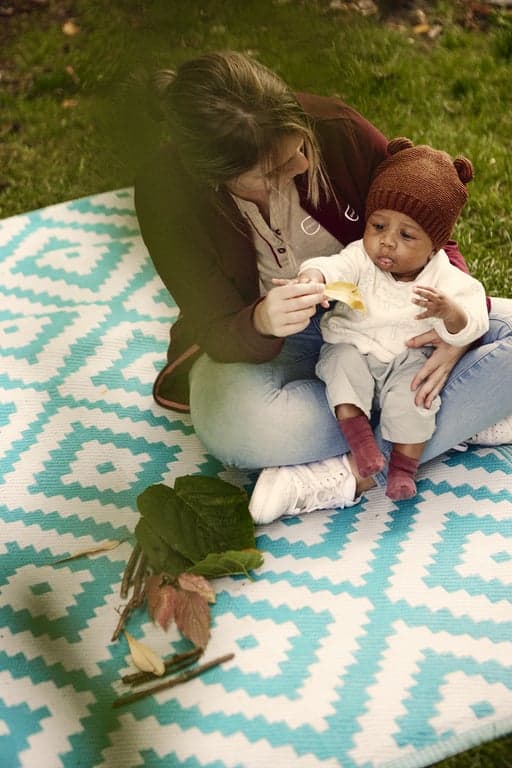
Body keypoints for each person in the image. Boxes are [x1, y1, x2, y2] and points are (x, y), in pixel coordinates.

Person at [134, 51, 512, 525]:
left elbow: (432, 232)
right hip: (276, 350)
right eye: (274, 169)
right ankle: (455, 415)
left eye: (300, 143)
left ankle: (346, 473)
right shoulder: (166, 194)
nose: (301, 162)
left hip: (391, 322)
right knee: (230, 425)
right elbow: (213, 324)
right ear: (219, 177)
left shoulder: (338, 130)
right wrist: (261, 320)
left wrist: (454, 336)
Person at [295, 137, 489, 502]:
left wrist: (450, 312)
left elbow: (475, 318)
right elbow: (334, 266)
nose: (386, 242)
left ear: (434, 244)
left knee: (417, 399)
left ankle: (402, 468)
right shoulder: (359, 258)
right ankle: (363, 446)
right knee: (340, 367)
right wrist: (315, 278)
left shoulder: (444, 278)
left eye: (405, 235)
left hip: (407, 360)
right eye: (378, 226)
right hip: (354, 346)